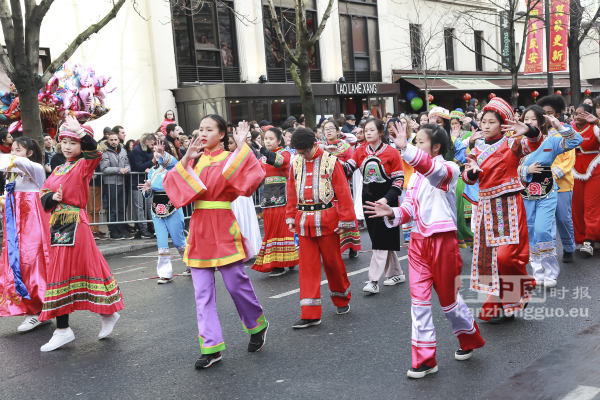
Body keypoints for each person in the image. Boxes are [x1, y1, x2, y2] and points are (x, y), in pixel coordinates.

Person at [365, 121, 485, 379]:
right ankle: (425, 360)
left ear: (437, 145)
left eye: (420, 141)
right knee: (419, 303)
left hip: (443, 243)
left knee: (449, 302)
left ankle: (469, 339)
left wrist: (405, 147)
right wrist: (393, 212)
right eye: (415, 141)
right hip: (418, 244)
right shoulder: (415, 176)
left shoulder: (448, 168)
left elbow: (432, 171)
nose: (415, 145)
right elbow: (409, 209)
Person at [163, 117, 268, 369]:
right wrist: (186, 158)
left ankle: (257, 325)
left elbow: (253, 178)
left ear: (222, 134)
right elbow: (173, 186)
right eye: (201, 129)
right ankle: (211, 347)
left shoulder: (231, 157)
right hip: (199, 228)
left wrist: (243, 147)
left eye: (210, 129)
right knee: (202, 293)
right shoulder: (196, 160)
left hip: (222, 224)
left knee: (235, 284)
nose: (204, 133)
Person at [38, 116, 124, 352]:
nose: (67, 146)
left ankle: (64, 329)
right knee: (73, 270)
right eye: (64, 141)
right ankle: (102, 315)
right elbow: (43, 192)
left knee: (71, 271)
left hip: (74, 222)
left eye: (73, 142)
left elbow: (95, 153)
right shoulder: (58, 168)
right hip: (58, 222)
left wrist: (83, 134)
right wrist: (50, 198)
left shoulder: (83, 165)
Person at [462, 97, 541, 324]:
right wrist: (472, 173)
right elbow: (467, 175)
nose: (485, 126)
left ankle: (520, 291)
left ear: (502, 123)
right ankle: (499, 302)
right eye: (482, 121)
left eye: (490, 122)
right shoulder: (477, 146)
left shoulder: (513, 143)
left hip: (508, 206)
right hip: (486, 208)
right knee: (488, 261)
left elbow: (535, 142)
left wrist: (528, 129)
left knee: (506, 257)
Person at [286, 127, 356, 328]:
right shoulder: (295, 162)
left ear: (314, 145)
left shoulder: (331, 161)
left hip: (328, 220)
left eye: (305, 151)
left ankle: (342, 298)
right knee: (307, 268)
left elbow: (343, 193)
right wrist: (290, 217)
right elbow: (291, 191)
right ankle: (310, 313)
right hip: (303, 220)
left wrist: (345, 221)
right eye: (299, 152)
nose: (302, 155)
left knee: (333, 263)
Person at [518, 106, 582, 288]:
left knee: (542, 230)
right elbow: (508, 168)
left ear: (542, 122)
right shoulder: (517, 143)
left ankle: (551, 272)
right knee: (530, 232)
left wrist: (560, 127)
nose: (529, 122)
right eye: (526, 119)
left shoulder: (552, 141)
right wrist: (525, 170)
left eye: (533, 119)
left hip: (547, 192)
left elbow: (577, 140)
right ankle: (537, 271)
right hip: (526, 193)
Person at [343, 118, 406, 294]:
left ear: (380, 132)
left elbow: (399, 181)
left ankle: (373, 280)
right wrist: (333, 160)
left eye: (372, 130)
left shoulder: (392, 152)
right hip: (368, 200)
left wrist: (386, 200)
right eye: (366, 129)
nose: (368, 132)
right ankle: (396, 273)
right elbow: (348, 169)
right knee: (379, 239)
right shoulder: (360, 151)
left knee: (380, 240)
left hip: (387, 202)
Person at [0, 137, 51, 332]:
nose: (13, 153)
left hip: (32, 223)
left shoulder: (35, 168)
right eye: (12, 149)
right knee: (16, 263)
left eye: (18, 150)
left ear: (30, 153)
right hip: (15, 225)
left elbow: (17, 162)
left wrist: (12, 158)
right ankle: (34, 310)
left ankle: (37, 310)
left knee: (32, 263)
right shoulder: (12, 174)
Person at [139, 140, 188, 283]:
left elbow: (175, 165)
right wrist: (147, 190)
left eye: (159, 151)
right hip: (156, 209)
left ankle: (192, 264)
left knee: (179, 241)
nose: (156, 154)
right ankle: (165, 273)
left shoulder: (173, 167)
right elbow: (147, 191)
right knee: (161, 242)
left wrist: (163, 154)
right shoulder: (152, 171)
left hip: (173, 207)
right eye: (155, 151)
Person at [252, 128, 299, 276]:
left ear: (279, 140)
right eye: (265, 138)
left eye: (271, 138)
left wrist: (264, 152)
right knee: (270, 230)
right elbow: (256, 175)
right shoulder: (262, 158)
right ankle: (280, 261)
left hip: (282, 199)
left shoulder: (284, 154)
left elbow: (279, 162)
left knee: (282, 229)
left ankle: (281, 264)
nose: (267, 141)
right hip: (267, 199)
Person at [538, 95, 577, 262]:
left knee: (563, 217)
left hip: (562, 182)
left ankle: (568, 247)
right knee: (545, 221)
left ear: (557, 115)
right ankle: (549, 252)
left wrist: (553, 172)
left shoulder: (565, 131)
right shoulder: (536, 134)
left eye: (550, 113)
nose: (546, 117)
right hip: (541, 183)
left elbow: (569, 159)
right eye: (543, 113)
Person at [323, 119, 361, 258]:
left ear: (338, 131)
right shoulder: (321, 147)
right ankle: (333, 245)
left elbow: (351, 167)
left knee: (345, 212)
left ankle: (352, 245)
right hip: (325, 186)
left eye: (331, 128)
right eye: (325, 129)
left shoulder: (345, 147)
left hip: (341, 185)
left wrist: (336, 164)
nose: (328, 131)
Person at [569, 103, 600, 256]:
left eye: (582, 114)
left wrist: (597, 122)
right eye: (576, 113)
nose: (577, 116)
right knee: (577, 207)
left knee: (591, 206)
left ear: (589, 114)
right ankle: (580, 238)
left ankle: (590, 240)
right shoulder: (569, 130)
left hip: (595, 171)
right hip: (574, 171)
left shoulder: (595, 128)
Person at [226, 134, 263, 261]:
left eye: (231, 142)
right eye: (227, 143)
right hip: (231, 194)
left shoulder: (245, 155)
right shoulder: (225, 156)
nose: (228, 145)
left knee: (244, 218)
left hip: (242, 193)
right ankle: (236, 250)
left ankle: (249, 247)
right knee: (235, 220)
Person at [100, 131, 132, 240]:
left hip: (121, 183)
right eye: (111, 140)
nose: (114, 142)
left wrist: (128, 169)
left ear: (119, 140)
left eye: (115, 139)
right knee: (112, 209)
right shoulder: (105, 152)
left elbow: (127, 163)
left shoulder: (122, 150)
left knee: (122, 208)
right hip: (111, 184)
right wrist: (119, 169)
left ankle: (121, 230)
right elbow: (104, 169)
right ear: (108, 141)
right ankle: (113, 232)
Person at [129, 133, 156, 239]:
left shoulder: (149, 150)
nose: (153, 147)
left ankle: (153, 228)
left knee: (150, 206)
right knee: (139, 207)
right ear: (146, 142)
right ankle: (143, 230)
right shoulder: (137, 150)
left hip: (147, 182)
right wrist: (151, 162)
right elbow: (138, 166)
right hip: (137, 183)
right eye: (152, 144)